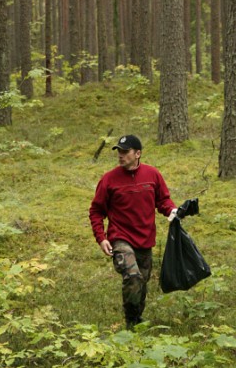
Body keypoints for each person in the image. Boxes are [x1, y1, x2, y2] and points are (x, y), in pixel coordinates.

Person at [89, 134, 177, 329]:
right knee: (133, 276)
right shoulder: (109, 179)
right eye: (119, 151)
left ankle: (137, 320)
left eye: (125, 151)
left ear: (137, 153)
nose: (121, 155)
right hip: (120, 238)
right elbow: (96, 211)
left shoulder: (152, 175)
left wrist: (172, 211)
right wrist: (101, 238)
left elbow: (162, 201)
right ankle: (130, 322)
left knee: (141, 284)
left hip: (145, 239)